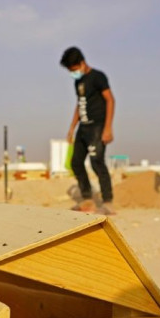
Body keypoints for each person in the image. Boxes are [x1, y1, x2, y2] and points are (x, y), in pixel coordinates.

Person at [60, 47, 116, 215]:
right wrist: (72, 127)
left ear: (82, 63)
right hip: (83, 128)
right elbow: (80, 104)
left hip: (97, 127)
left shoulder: (98, 77)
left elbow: (110, 100)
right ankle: (87, 200)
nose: (73, 73)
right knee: (75, 162)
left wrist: (108, 128)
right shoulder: (78, 82)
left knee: (97, 162)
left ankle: (108, 202)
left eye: (74, 69)